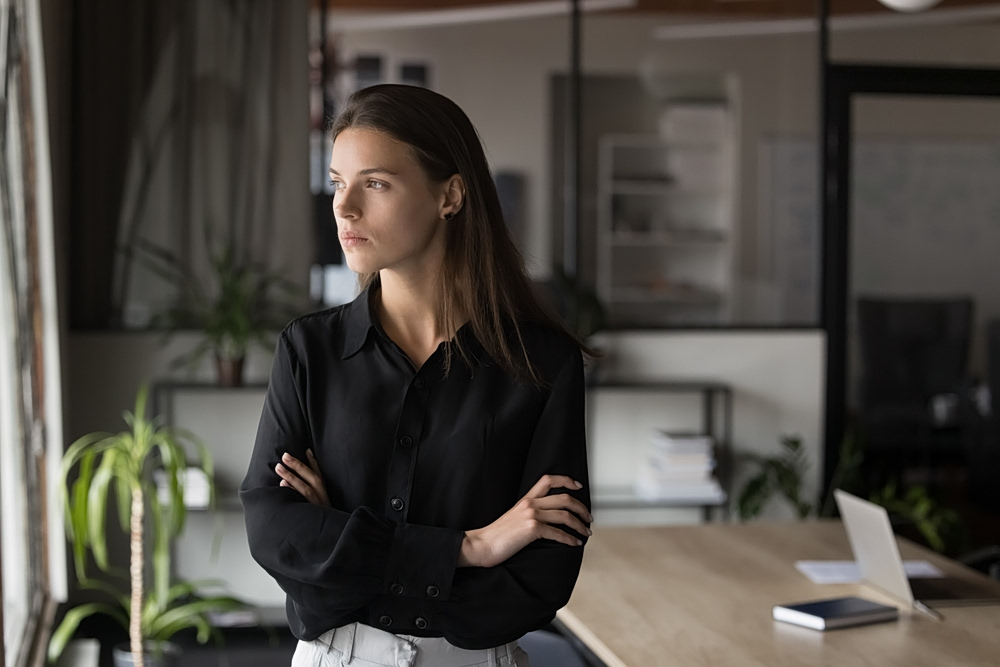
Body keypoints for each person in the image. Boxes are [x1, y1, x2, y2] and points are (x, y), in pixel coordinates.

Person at [240, 84, 593, 667]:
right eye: (337, 181)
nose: (343, 206)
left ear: (450, 195)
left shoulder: (542, 364)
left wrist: (343, 543)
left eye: (374, 183)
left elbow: (542, 577)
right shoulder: (309, 351)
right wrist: (471, 548)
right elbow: (276, 534)